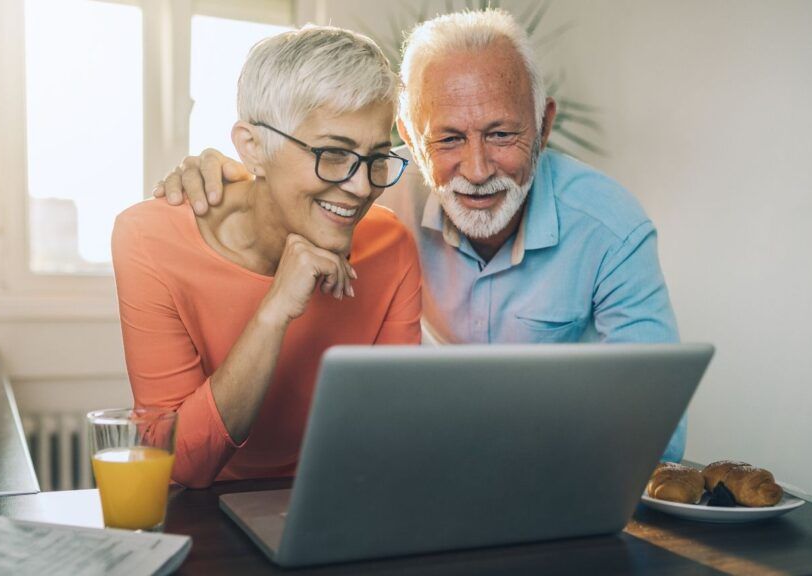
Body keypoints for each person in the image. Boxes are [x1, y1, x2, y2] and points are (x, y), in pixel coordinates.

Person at [153, 10, 687, 461]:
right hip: (416, 475)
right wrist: (224, 173)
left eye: (501, 134)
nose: (477, 170)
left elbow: (660, 433)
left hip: (552, 475)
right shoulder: (368, 190)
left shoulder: (611, 228)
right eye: (448, 138)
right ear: (408, 136)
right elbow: (293, 184)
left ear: (544, 127)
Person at [112, 26, 422, 488]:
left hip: (335, 497)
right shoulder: (148, 239)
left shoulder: (389, 246)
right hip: (204, 512)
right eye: (333, 154)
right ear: (253, 148)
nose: (362, 187)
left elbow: (393, 436)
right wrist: (274, 312)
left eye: (376, 157)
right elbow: (178, 463)